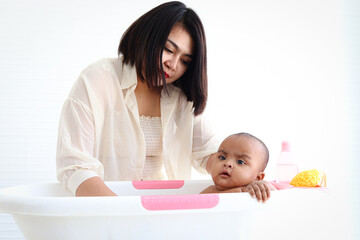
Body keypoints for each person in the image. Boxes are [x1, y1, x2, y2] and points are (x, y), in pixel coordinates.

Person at [56, 1, 219, 196]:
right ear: (145, 37)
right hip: (105, 211)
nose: (173, 64)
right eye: (168, 49)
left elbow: (210, 153)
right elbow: (75, 166)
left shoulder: (181, 97)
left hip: (158, 209)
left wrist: (247, 178)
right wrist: (122, 214)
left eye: (184, 61)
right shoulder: (97, 79)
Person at [201, 133, 275, 203]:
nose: (227, 163)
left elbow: (276, 195)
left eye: (240, 162)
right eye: (222, 157)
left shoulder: (253, 191)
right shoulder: (209, 192)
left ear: (257, 178)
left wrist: (262, 186)